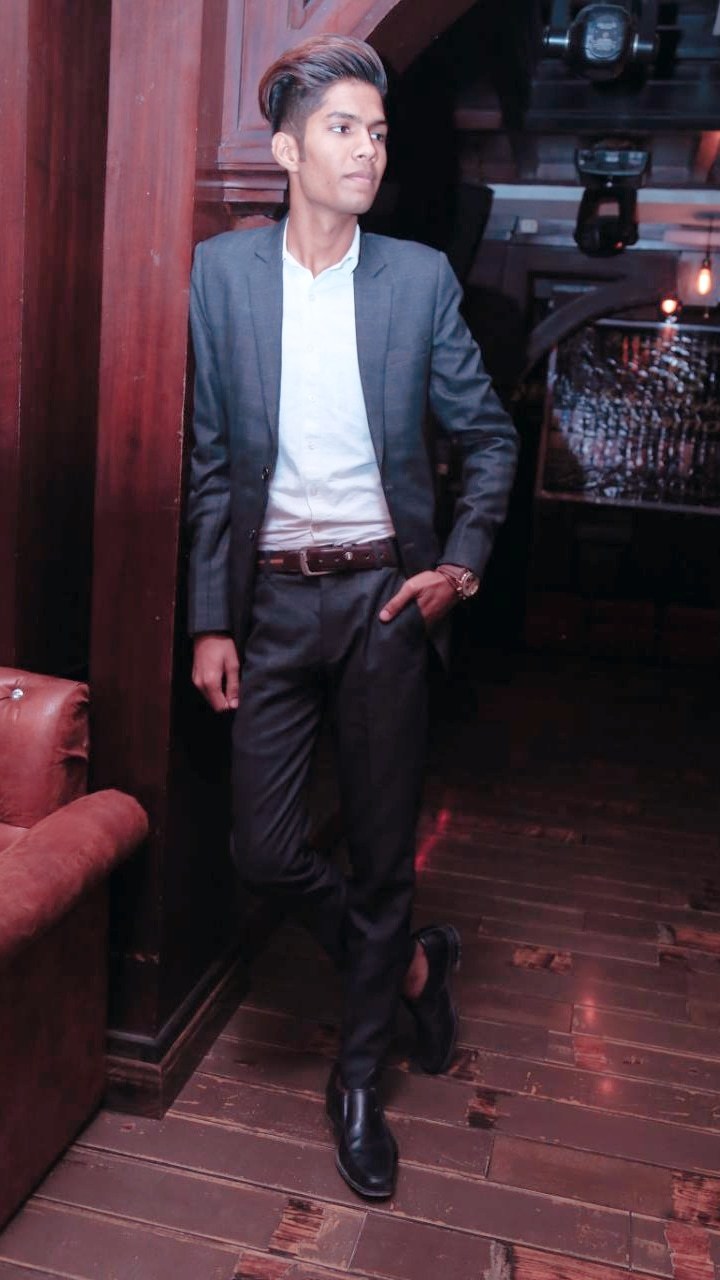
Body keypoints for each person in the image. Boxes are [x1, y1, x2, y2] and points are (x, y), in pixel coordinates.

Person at [187, 33, 518, 1200]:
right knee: (267, 849)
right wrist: (209, 620)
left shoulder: (417, 281)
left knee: (382, 856)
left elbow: (489, 438)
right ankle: (413, 973)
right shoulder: (221, 276)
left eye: (378, 133)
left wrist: (458, 566)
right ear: (286, 151)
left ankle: (361, 1080)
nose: (368, 150)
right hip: (272, 602)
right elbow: (211, 460)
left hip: (385, 603)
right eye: (342, 130)